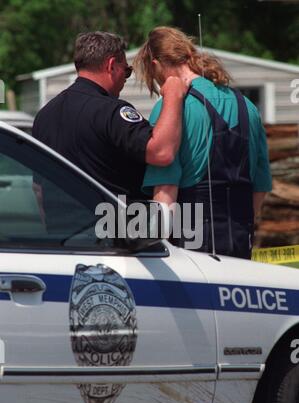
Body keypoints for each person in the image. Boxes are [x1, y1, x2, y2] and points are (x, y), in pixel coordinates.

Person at [133, 26, 272, 259]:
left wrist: (155, 247)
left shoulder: (172, 109)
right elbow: (260, 186)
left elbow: (165, 192)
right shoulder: (247, 106)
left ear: (155, 64)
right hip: (240, 246)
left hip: (192, 253)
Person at [32, 31, 188, 200]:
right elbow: (161, 152)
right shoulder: (111, 112)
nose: (125, 79)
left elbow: (39, 189)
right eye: (126, 71)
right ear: (111, 65)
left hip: (62, 225)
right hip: (112, 224)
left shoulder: (44, 116)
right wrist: (173, 93)